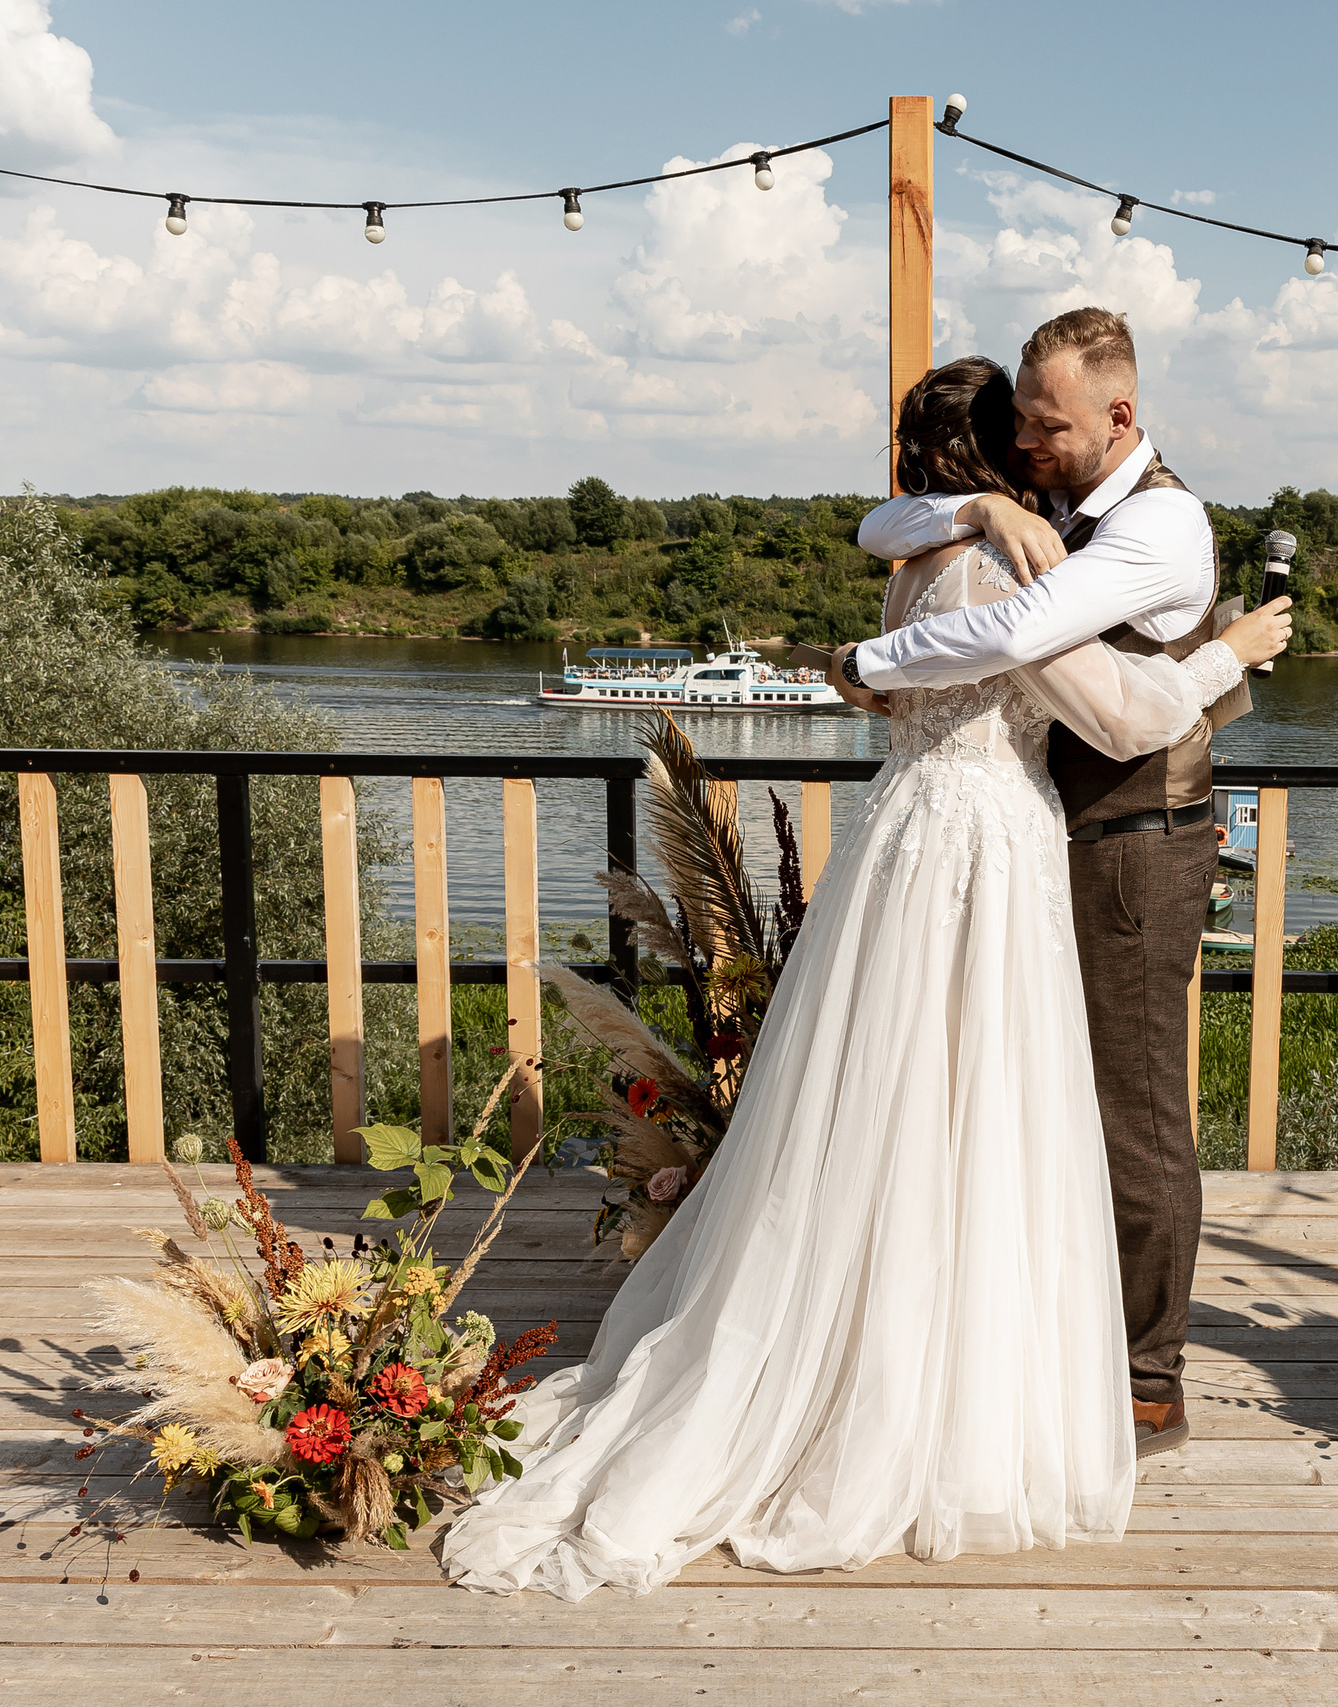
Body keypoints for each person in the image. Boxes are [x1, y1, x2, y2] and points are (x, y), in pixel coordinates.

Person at [440, 356, 1293, 1600]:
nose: (1039, 456)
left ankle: (858, 1332)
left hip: (903, 833)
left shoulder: (910, 563)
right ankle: (945, 1386)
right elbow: (1120, 718)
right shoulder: (1002, 562)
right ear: (996, 452)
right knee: (974, 1104)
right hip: (988, 848)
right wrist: (1228, 657)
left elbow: (891, 554)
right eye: (1023, 437)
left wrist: (939, 538)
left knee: (883, 1098)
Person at [833, 306, 1224, 1460]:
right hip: (1016, 838)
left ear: (1119, 415)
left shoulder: (1158, 526)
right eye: (1019, 434)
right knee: (1008, 1097)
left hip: (1131, 838)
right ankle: (1031, 1342)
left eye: (1046, 429)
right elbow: (882, 523)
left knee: (1132, 1112)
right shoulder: (1017, 520)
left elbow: (1029, 640)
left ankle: (1147, 1381)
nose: (1034, 445)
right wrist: (978, 507)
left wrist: (862, 664)